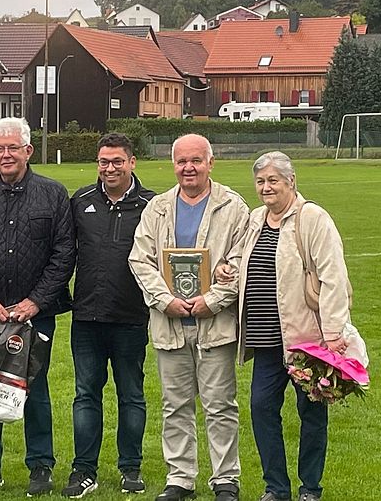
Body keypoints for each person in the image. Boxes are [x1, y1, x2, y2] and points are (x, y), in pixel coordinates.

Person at [216, 151, 352, 501]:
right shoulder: (255, 218)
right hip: (264, 341)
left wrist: (334, 332)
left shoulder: (312, 219)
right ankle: (276, 488)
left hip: (306, 341)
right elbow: (239, 257)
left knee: (311, 415)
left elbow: (334, 277)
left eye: (273, 180)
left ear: (291, 182)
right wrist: (225, 268)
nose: (266, 187)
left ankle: (310, 488)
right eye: (260, 181)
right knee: (262, 411)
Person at [0, 117, 75, 496]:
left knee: (34, 388)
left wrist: (36, 301)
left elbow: (63, 254)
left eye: (13, 148)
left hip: (34, 315)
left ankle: (41, 465)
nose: (6, 155)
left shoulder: (53, 194)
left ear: (28, 150)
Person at [128, 134, 248, 501]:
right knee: (175, 405)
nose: (188, 168)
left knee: (219, 405)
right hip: (170, 324)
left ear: (211, 162)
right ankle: (180, 478)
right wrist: (165, 301)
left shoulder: (233, 206)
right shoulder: (158, 207)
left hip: (216, 325)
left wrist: (212, 300)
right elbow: (140, 259)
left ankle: (225, 478)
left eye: (196, 160)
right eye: (181, 161)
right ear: (173, 164)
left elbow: (240, 261)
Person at [62, 133, 156, 498]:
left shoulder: (152, 205)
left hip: (132, 316)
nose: (110, 168)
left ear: (132, 162)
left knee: (131, 394)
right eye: (104, 161)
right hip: (86, 316)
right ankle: (84, 469)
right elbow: (62, 254)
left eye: (117, 161)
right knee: (86, 394)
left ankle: (130, 468)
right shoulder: (81, 201)